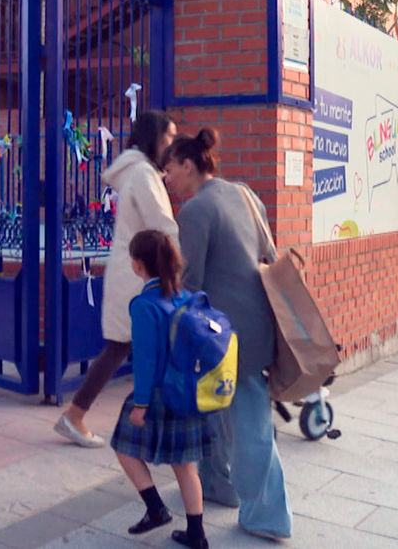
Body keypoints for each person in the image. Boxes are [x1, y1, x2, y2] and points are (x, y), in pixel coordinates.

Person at [164, 128, 292, 541]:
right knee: (216, 412)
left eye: (169, 170)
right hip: (254, 326)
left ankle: (269, 517)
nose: (167, 180)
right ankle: (219, 488)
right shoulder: (244, 194)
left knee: (249, 425)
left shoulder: (196, 211)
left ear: (187, 164)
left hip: (226, 338)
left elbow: (191, 280)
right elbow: (268, 254)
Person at [55, 111, 179, 447]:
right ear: (154, 138)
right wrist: (186, 258)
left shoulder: (140, 171)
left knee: (126, 347)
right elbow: (163, 226)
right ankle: (78, 416)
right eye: (169, 136)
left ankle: (78, 415)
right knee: (131, 347)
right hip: (139, 276)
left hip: (135, 272)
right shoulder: (142, 174)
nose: (173, 143)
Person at [110, 230, 218, 549]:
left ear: (139, 263)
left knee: (122, 445)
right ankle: (197, 534)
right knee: (185, 465)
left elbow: (145, 359)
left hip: (158, 394)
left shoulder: (144, 305)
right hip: (188, 392)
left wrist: (140, 405)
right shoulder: (187, 297)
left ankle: (156, 509)